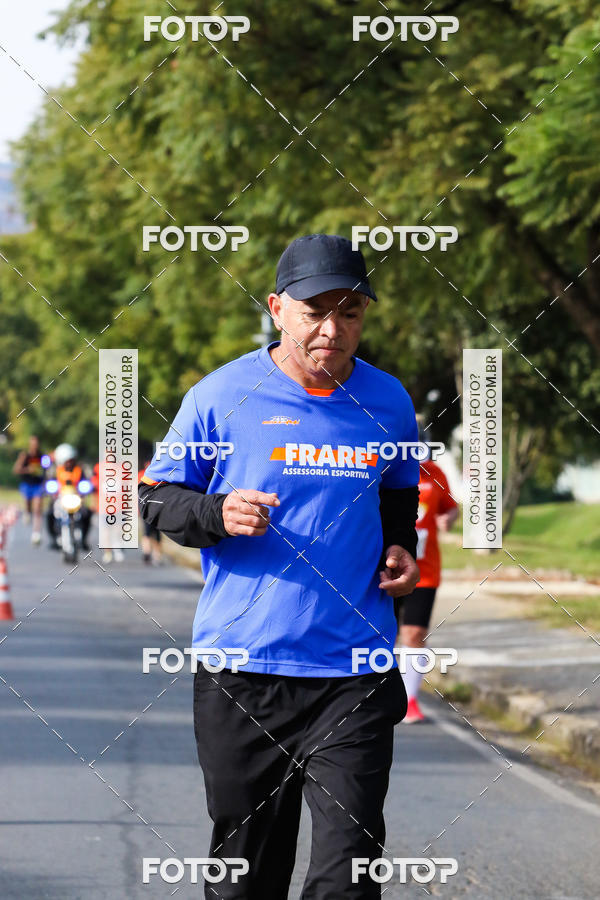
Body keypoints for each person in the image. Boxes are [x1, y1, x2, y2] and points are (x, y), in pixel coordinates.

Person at [139, 233, 421, 899]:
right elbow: (154, 501)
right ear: (276, 308)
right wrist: (216, 512)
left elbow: (397, 500)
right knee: (247, 877)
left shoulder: (389, 402)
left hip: (353, 671)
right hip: (244, 671)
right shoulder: (221, 396)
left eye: (349, 313)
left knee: (349, 871)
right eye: (314, 312)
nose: (332, 329)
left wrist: (400, 550)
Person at [394, 438, 458, 724]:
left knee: (414, 634)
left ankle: (409, 700)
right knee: (383, 634)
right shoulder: (387, 470)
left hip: (425, 571)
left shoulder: (434, 473)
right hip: (388, 568)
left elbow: (450, 507)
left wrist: (448, 519)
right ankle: (378, 695)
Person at [47, 443, 92, 551]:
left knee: (87, 513)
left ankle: (83, 539)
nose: (69, 463)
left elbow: (85, 482)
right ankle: (54, 539)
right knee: (49, 513)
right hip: (60, 498)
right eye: (67, 461)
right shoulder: (56, 470)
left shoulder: (79, 470)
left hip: (76, 498)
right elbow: (50, 483)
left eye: (71, 460)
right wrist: (53, 492)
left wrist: (83, 491)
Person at [13, 435, 47, 544]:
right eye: (33, 444)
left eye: (36, 444)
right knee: (28, 505)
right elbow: (16, 470)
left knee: (37, 508)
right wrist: (28, 469)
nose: (35, 446)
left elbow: (47, 470)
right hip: (27, 484)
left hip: (38, 485)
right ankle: (27, 512)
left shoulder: (43, 457)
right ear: (30, 445)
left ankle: (36, 534)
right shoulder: (25, 456)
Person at [138, 461, 162, 565]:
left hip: (156, 509)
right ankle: (148, 553)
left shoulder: (160, 475)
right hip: (147, 509)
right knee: (148, 532)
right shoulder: (142, 475)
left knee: (155, 533)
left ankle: (155, 555)